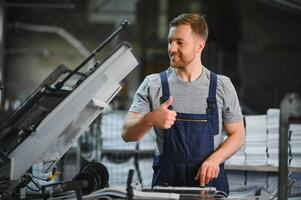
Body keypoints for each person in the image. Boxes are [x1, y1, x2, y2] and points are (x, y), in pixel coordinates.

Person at [122, 13, 245, 196]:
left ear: (199, 46)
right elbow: (127, 134)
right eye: (170, 41)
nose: (171, 48)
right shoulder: (153, 84)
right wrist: (150, 119)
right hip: (166, 187)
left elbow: (238, 134)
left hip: (209, 187)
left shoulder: (221, 85)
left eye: (180, 42)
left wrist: (215, 159)